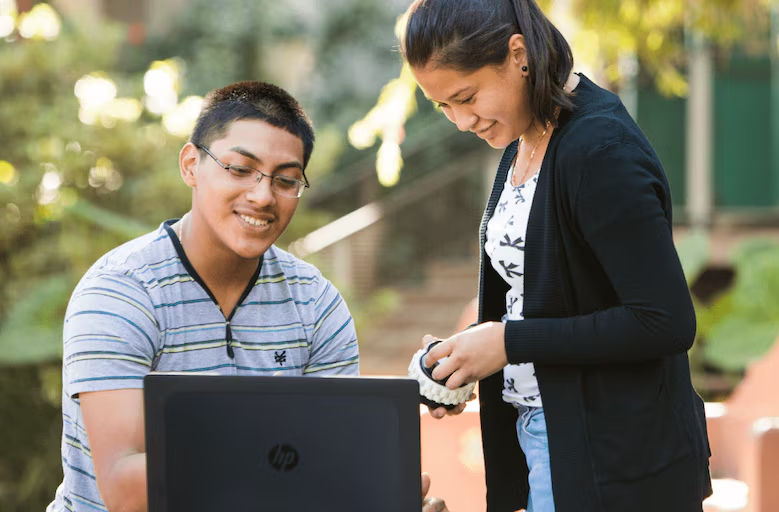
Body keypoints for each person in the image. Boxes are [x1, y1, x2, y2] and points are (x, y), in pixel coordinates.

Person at [47, 81, 446, 512]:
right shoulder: (121, 292)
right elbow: (125, 490)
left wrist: (379, 494)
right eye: (239, 169)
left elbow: (328, 468)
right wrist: (267, 437)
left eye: (286, 180)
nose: (262, 196)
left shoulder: (315, 304)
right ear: (190, 165)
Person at [401, 0, 714, 510]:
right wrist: (466, 356)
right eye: (444, 107)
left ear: (517, 54)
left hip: (616, 463)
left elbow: (665, 321)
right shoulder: (526, 139)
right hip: (548, 439)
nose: (460, 121)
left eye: (466, 96)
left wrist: (507, 341)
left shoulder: (600, 149)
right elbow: (547, 295)